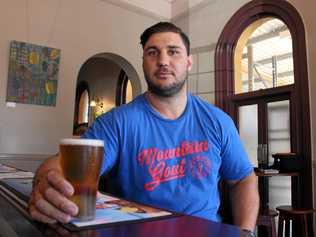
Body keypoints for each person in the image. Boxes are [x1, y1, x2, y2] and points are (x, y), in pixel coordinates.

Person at [28, 22, 259, 235]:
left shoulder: (218, 121)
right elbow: (62, 163)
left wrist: (245, 232)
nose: (163, 60)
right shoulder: (117, 123)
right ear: (143, 62)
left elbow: (243, 179)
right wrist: (47, 180)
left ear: (189, 62)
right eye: (152, 52)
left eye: (173, 51)